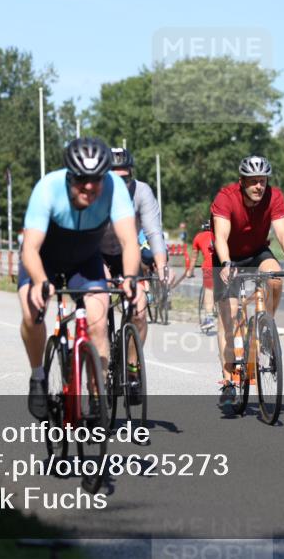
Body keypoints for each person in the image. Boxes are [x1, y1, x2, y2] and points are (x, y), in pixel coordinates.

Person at [19, 138, 139, 420]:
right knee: (31, 312)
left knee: (98, 320)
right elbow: (30, 248)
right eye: (81, 180)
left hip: (85, 261)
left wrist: (130, 277)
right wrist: (39, 281)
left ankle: (97, 397)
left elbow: (130, 242)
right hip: (43, 260)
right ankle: (38, 378)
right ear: (69, 176)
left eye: (95, 179)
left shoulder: (114, 187)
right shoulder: (47, 188)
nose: (89, 186)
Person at [212, 155, 284, 409]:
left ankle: (266, 326)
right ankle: (228, 380)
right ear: (242, 181)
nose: (259, 186)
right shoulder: (226, 197)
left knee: (275, 279)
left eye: (262, 181)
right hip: (228, 258)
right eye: (253, 181)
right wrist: (225, 263)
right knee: (229, 316)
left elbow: (283, 233)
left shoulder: (274, 197)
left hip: (257, 252)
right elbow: (220, 236)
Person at [100, 147, 169, 402]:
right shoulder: (95, 191)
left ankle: (131, 369)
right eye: (114, 179)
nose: (121, 184)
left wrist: (161, 264)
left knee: (139, 309)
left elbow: (153, 232)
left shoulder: (142, 192)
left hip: (128, 253)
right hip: (98, 253)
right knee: (100, 301)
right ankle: (101, 370)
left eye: (125, 178)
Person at [189, 220, 216, 331]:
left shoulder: (198, 237)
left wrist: (190, 272)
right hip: (224, 265)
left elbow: (194, 258)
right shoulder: (219, 234)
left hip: (209, 266)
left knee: (208, 290)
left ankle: (209, 318)